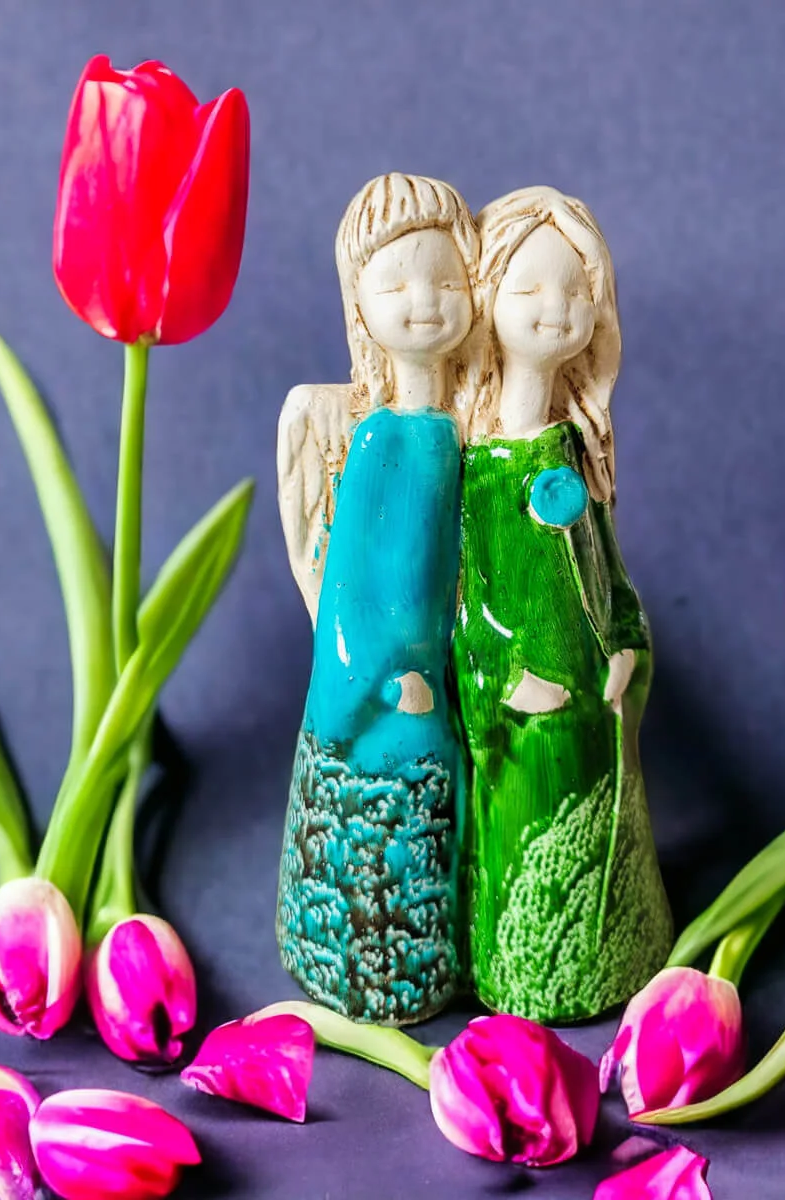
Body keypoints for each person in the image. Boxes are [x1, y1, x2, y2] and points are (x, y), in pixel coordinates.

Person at [453, 186, 672, 1022]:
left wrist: (628, 645)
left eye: (577, 290)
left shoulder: (577, 449)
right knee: (528, 844)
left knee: (604, 838)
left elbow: (610, 574)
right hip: (529, 713)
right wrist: (508, 680)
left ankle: (618, 949)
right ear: (490, 302)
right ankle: (522, 968)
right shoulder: (479, 467)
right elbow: (467, 599)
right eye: (531, 289)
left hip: (595, 699)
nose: (557, 308)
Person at [273, 174, 477, 1025]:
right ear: (360, 302)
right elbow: (351, 585)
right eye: (398, 285)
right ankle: (365, 963)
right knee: (384, 831)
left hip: (446, 681)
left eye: (446, 280)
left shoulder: (464, 436)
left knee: (444, 818)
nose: (424, 302)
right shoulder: (381, 440)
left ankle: (439, 954)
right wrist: (390, 679)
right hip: (390, 694)